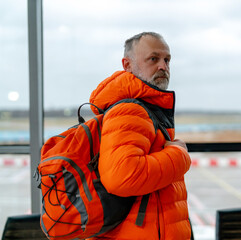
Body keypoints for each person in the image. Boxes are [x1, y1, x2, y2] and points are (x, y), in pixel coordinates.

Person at [89, 32, 192, 239]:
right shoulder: (129, 109)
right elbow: (122, 178)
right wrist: (179, 154)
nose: (163, 66)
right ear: (127, 65)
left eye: (167, 59)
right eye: (154, 59)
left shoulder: (147, 108)